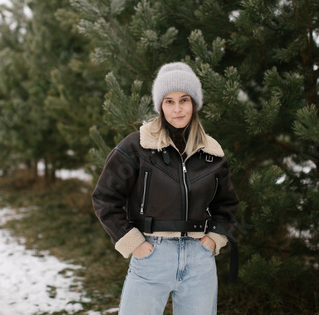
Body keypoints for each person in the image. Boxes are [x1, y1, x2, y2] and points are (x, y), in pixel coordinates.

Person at [92, 62, 239, 315]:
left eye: (184, 100)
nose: (177, 108)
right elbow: (105, 197)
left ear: (194, 103)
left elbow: (227, 204)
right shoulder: (136, 146)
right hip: (151, 254)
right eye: (169, 101)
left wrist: (214, 238)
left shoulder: (211, 152)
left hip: (199, 259)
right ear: (160, 105)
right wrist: (133, 243)